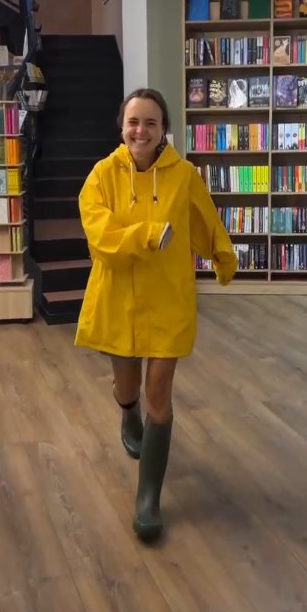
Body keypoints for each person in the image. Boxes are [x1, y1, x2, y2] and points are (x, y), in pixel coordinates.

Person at [75, 88, 237, 541]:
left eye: (150, 122)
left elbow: (204, 219)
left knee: (159, 392)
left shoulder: (183, 175)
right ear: (121, 126)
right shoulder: (102, 175)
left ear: (164, 128)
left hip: (169, 298)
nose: (140, 131)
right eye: (133, 122)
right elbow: (99, 233)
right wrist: (147, 234)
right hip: (117, 299)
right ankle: (126, 409)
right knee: (129, 387)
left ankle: (148, 500)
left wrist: (223, 255)